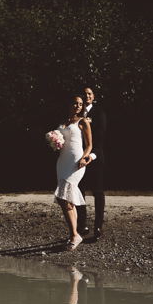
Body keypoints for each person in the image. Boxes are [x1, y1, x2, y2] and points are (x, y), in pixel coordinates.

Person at [54, 95, 93, 251]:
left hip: (76, 162)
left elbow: (89, 145)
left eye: (81, 104)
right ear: (69, 104)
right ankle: (75, 234)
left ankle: (74, 236)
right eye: (75, 103)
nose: (78, 106)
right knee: (66, 199)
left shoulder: (83, 121)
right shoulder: (63, 122)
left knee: (64, 197)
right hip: (62, 162)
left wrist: (85, 158)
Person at [81, 87, 107, 242]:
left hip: (95, 158)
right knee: (79, 190)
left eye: (89, 94)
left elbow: (100, 138)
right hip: (78, 160)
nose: (87, 96)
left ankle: (98, 227)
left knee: (97, 192)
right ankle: (82, 224)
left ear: (93, 97)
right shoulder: (76, 116)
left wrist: (91, 155)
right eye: (84, 94)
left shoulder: (99, 115)